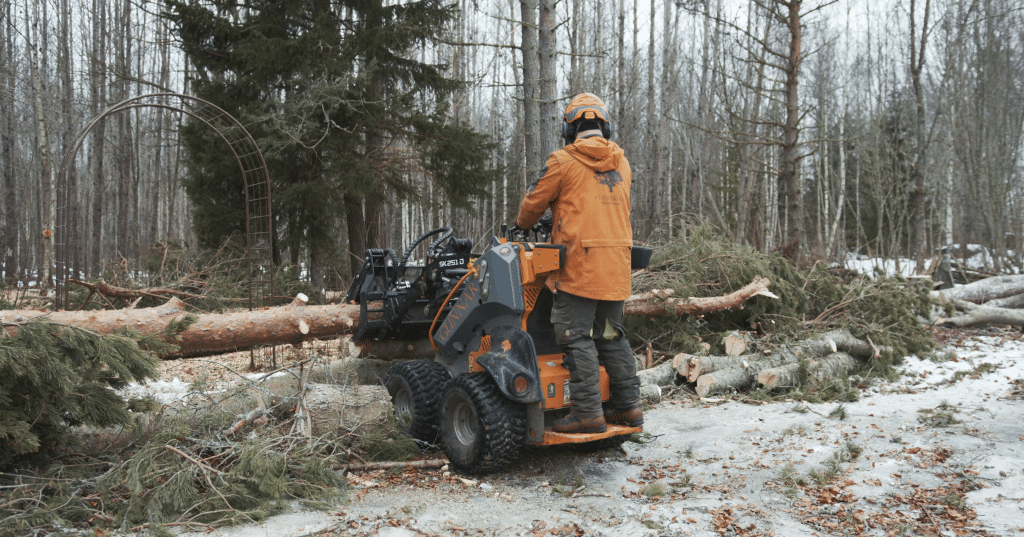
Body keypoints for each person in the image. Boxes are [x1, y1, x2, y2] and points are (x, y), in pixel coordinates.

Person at [515, 93, 642, 434]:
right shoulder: (623, 164)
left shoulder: (563, 161)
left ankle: (587, 413)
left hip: (580, 270)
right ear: (605, 127)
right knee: (612, 336)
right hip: (616, 268)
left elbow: (532, 204)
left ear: (568, 130)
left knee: (576, 337)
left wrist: (524, 225)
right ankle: (629, 407)